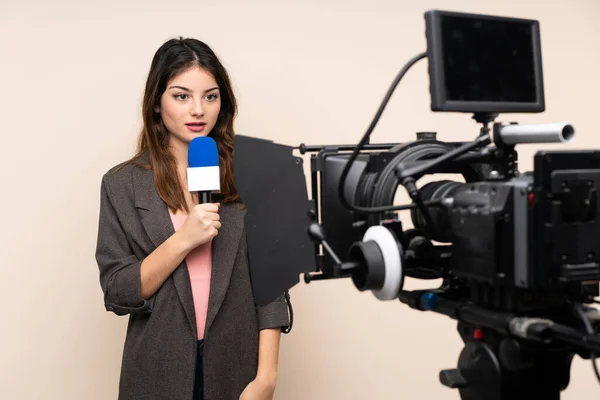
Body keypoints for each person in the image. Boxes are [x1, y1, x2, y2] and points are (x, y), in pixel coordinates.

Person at [95, 37, 291, 400]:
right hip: (156, 372)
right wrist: (184, 239)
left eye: (210, 96)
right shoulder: (121, 184)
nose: (198, 109)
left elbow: (272, 287)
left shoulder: (256, 175)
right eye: (181, 96)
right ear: (157, 103)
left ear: (223, 103)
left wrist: (266, 378)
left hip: (237, 371)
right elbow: (118, 291)